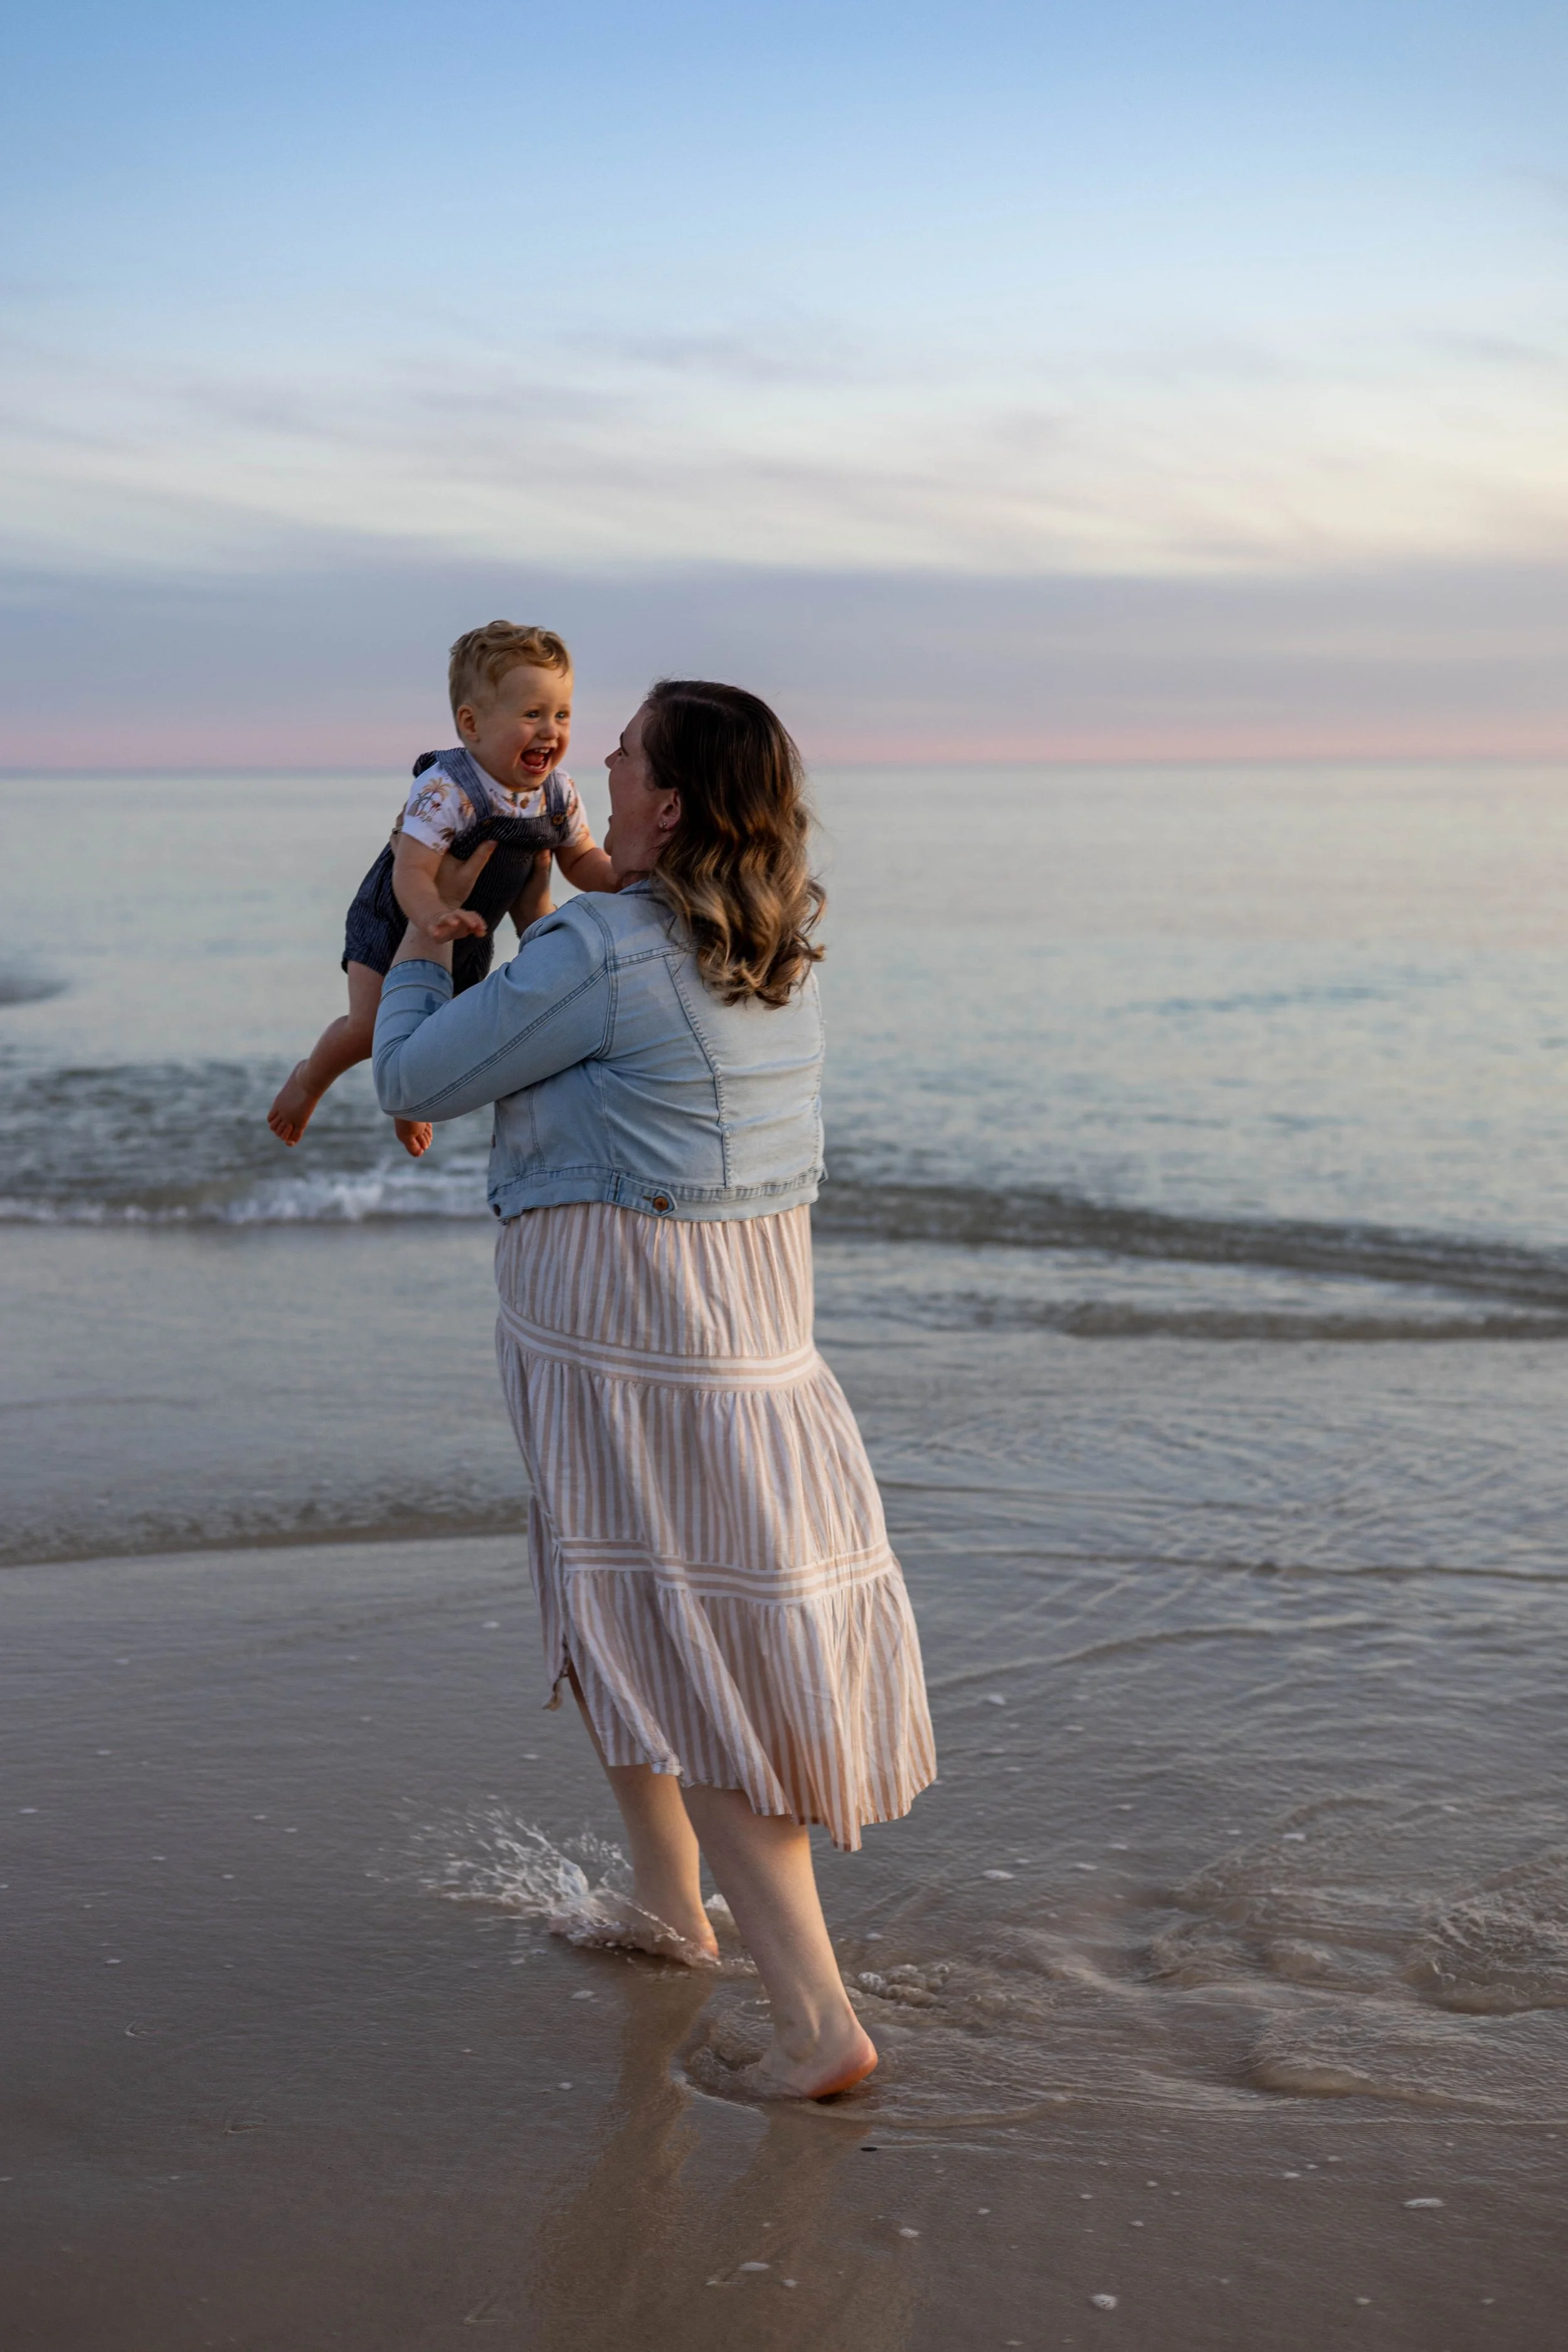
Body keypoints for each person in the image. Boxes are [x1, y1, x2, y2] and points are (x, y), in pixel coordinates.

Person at [373, 679, 936, 2100]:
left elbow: (414, 1075)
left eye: (623, 749)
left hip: (639, 1350)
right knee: (631, 1613)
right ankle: (672, 1911)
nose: (601, 759)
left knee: (684, 1654)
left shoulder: (607, 948)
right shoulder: (767, 947)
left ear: (669, 800)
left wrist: (427, 934)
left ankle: (818, 2020)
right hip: (740, 1340)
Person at [268, 621, 615, 1158]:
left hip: (470, 930)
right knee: (368, 1028)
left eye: (561, 714)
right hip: (398, 916)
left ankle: (411, 1103)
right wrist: (432, 917)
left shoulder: (558, 791)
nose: (550, 731)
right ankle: (309, 1080)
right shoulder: (447, 788)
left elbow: (583, 858)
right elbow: (411, 871)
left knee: (433, 1037)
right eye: (532, 714)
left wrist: (622, 879)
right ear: (471, 724)